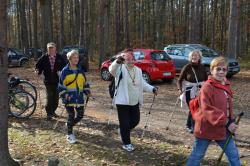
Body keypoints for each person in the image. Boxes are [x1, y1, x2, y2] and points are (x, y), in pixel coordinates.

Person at [186, 56, 241, 165]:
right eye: (218, 69)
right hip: (206, 128)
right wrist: (227, 122)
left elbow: (228, 107)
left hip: (222, 128)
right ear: (211, 70)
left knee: (234, 155)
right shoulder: (207, 87)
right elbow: (207, 109)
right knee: (197, 156)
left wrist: (232, 121)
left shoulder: (226, 85)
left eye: (224, 69)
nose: (221, 72)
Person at [109, 51, 158, 152]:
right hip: (122, 101)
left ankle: (122, 131)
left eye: (132, 59)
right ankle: (127, 143)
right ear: (124, 60)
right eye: (127, 59)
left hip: (134, 101)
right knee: (125, 124)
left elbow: (142, 84)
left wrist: (152, 89)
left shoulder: (138, 70)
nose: (130, 61)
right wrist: (118, 61)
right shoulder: (120, 69)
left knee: (135, 120)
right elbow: (111, 70)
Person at [58, 50, 91, 144]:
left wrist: (87, 91)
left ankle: (69, 125)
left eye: (77, 57)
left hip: (79, 97)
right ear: (69, 59)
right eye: (74, 58)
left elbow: (85, 82)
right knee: (71, 115)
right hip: (69, 98)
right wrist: (65, 94)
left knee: (80, 115)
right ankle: (69, 134)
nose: (76, 59)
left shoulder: (80, 70)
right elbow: (61, 86)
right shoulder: (65, 71)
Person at [177, 50, 207, 133]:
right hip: (189, 91)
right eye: (192, 56)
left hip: (199, 91)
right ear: (190, 57)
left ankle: (190, 125)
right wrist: (179, 89)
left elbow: (206, 79)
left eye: (196, 55)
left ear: (199, 57)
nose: (194, 57)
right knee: (192, 108)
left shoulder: (202, 67)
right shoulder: (187, 67)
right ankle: (192, 126)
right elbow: (179, 80)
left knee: (197, 108)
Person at [35, 42, 65, 120]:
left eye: (52, 48)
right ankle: (49, 114)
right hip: (48, 81)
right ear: (47, 49)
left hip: (57, 81)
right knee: (50, 97)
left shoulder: (60, 57)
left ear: (55, 49)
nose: (51, 50)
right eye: (49, 49)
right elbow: (38, 67)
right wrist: (37, 71)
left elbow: (65, 67)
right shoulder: (44, 57)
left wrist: (61, 72)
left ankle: (53, 112)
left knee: (56, 98)